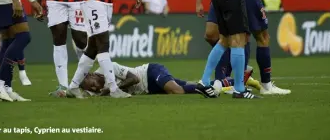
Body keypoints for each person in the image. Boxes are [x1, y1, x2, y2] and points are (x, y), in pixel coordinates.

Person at [80, 62, 251, 96]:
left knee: (176, 91)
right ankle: (234, 82)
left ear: (92, 75)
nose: (94, 89)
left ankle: (210, 89)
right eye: (91, 89)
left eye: (92, 85)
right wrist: (63, 92)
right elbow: (76, 94)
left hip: (150, 73)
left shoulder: (108, 67)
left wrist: (111, 89)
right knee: (186, 86)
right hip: (151, 89)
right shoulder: (95, 91)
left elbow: (134, 79)